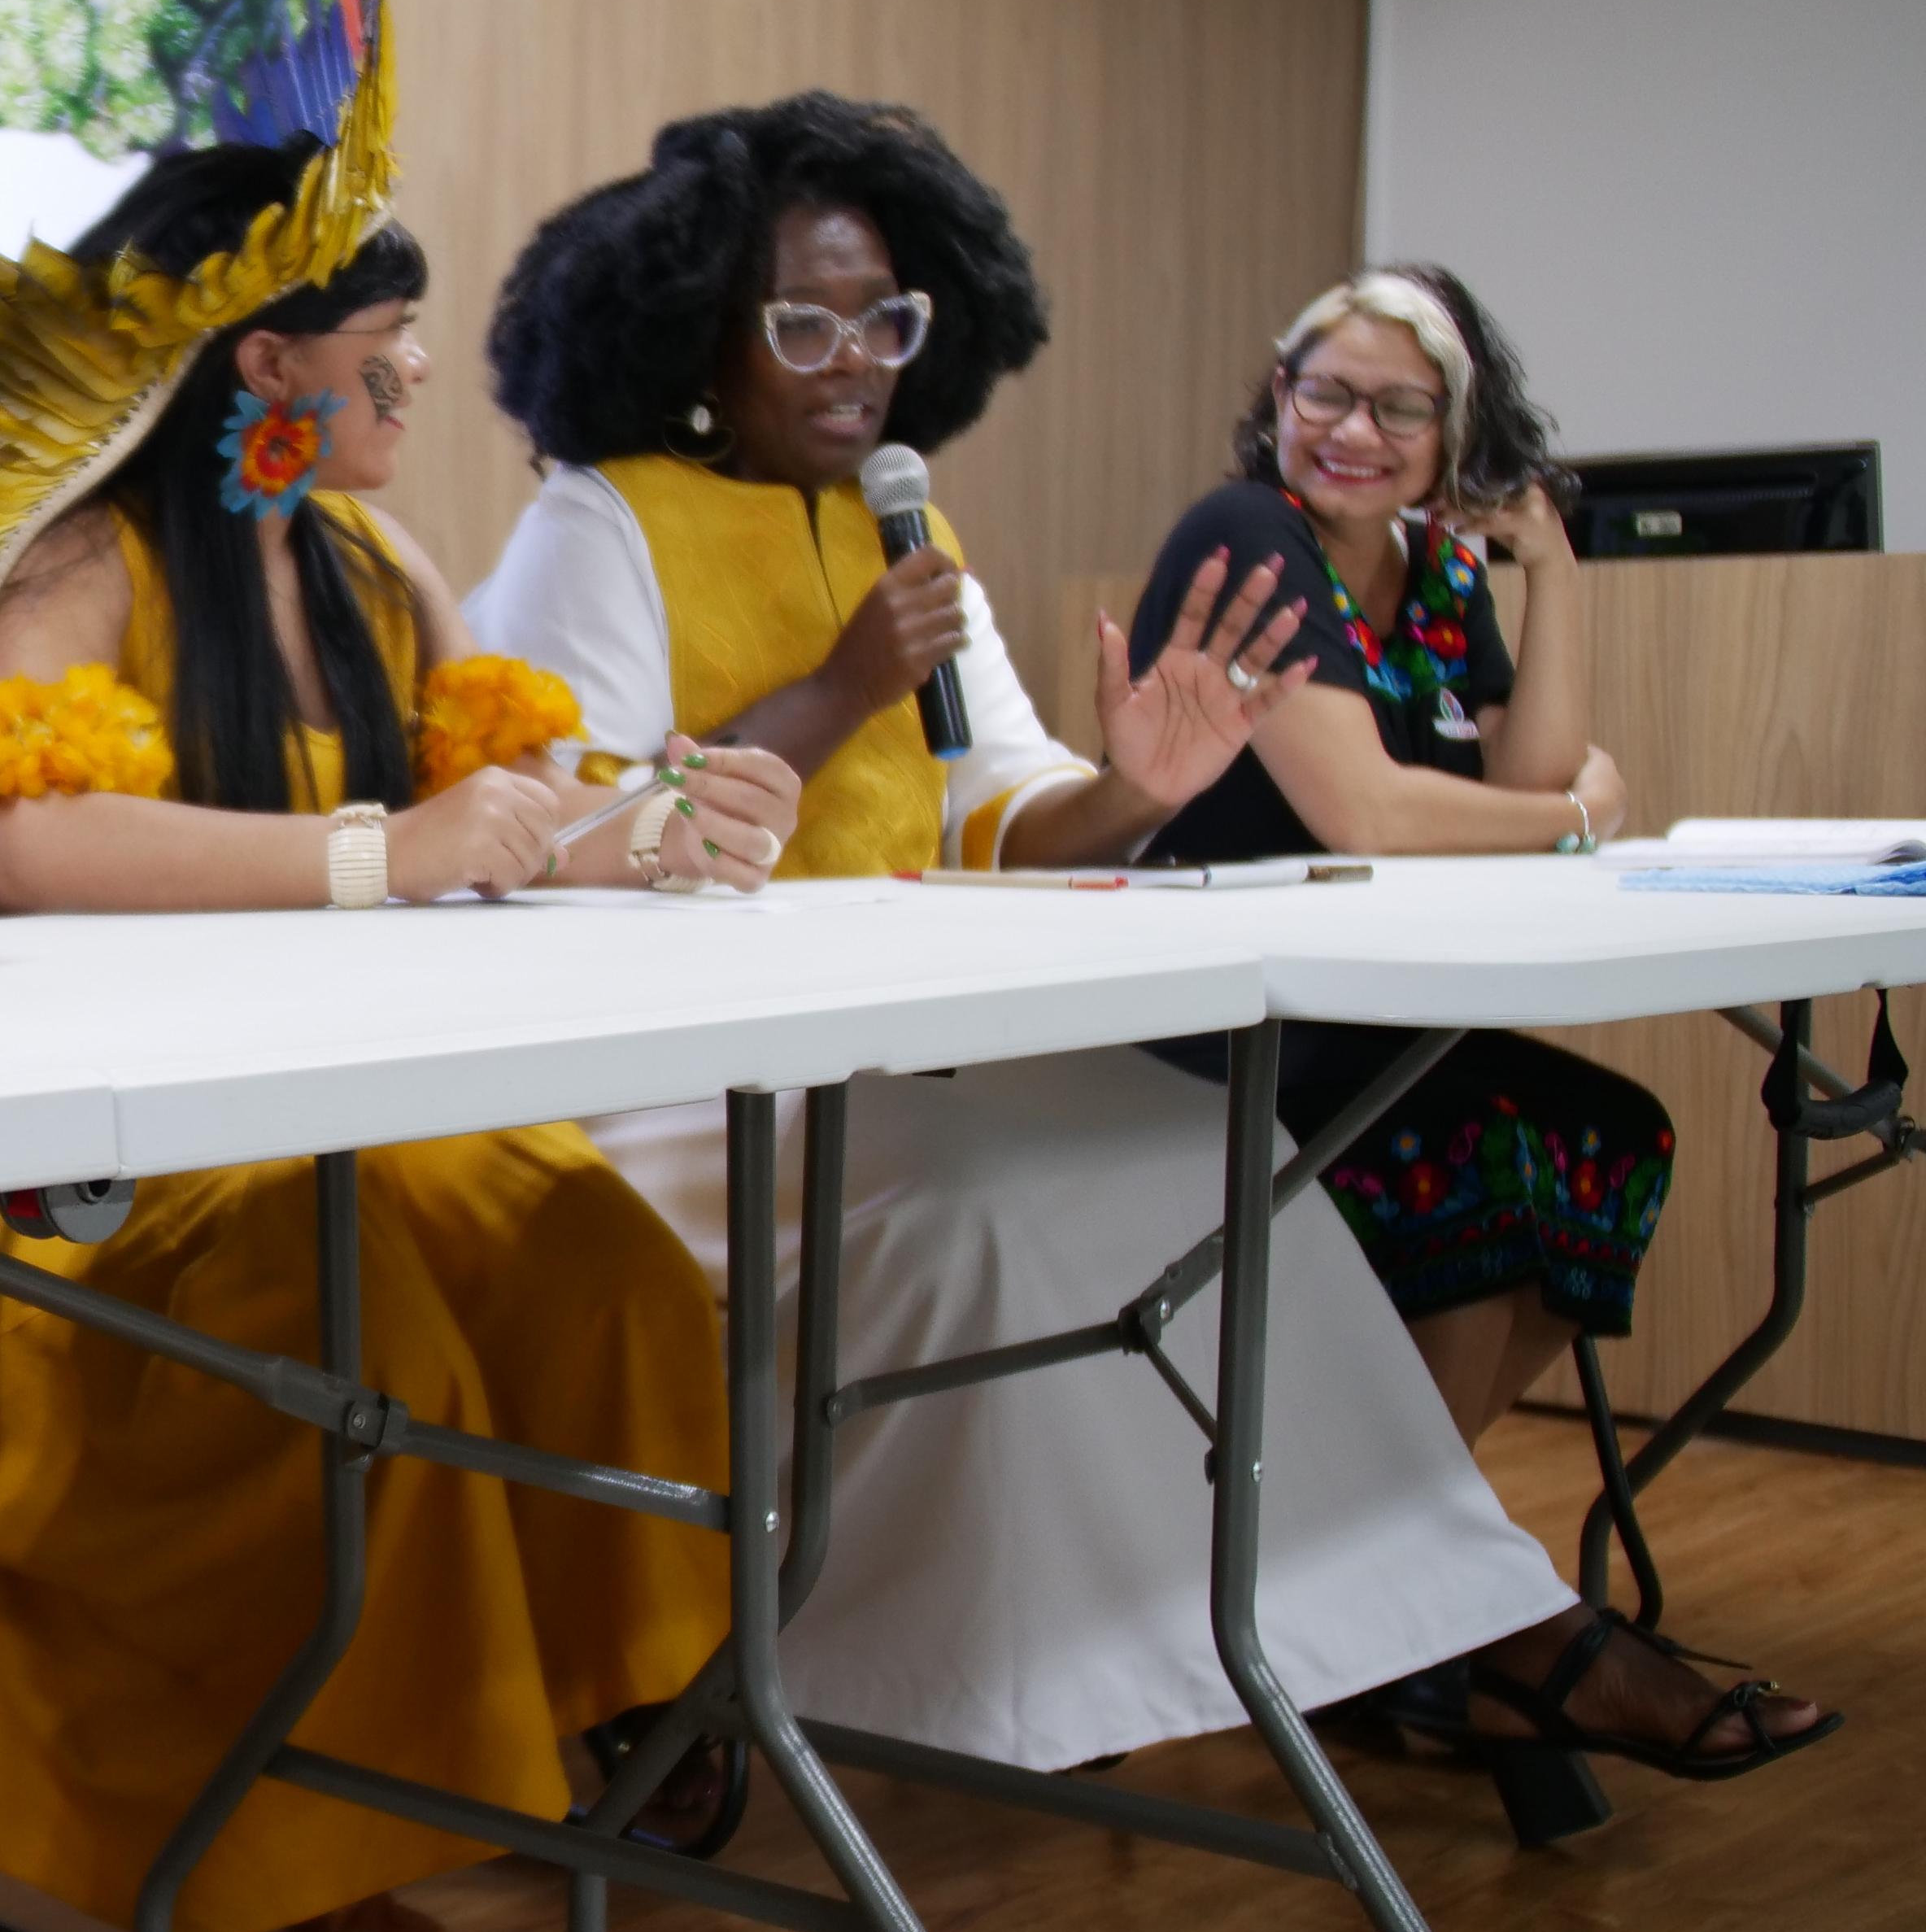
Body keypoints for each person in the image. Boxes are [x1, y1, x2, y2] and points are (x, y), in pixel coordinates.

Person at [0, 33, 800, 1932]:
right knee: (376, 1334)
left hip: (354, 1125)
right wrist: (388, 853)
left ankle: (613, 1714)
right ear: (263, 369)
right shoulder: (90, 564)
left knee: (605, 1263)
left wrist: (667, 820)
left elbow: (515, 810)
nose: (413, 374)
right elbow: (33, 847)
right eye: (384, 339)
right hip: (121, 1163)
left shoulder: (382, 571)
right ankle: (347, 1817)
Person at [466, 93, 1592, 1782]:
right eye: (806, 324)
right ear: (704, 330)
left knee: (1196, 1152)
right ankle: (928, 1662)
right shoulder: (599, 524)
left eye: (890, 323)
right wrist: (849, 680)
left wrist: (1139, 790)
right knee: (1005, 1198)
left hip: (879, 1047)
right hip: (666, 1087)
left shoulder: (907, 532)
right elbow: (577, 832)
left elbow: (1001, 807)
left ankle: (1296, 1625)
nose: (858, 363)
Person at [1126, 267, 1832, 1782]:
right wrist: (1568, 817)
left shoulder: (1440, 573)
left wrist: (1554, 574)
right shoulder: (1249, 535)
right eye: (1325, 394)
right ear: (1277, 401)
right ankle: (1435, 1599)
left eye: (1400, 406)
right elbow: (1378, 807)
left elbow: (1539, 765)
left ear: (1460, 434)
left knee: (1605, 1133)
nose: (1354, 430)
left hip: (1372, 1007)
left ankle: (1383, 1578)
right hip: (1224, 1013)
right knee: (1498, 1145)